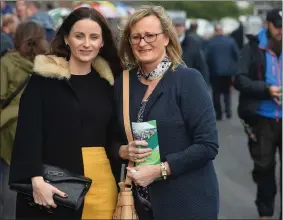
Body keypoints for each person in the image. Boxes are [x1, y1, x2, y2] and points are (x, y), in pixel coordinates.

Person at [9, 7, 122, 219]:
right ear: (67, 39)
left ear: (102, 42)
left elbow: (114, 135)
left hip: (103, 184)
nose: (86, 44)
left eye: (94, 37)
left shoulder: (109, 83)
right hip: (55, 185)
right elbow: (28, 132)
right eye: (79, 36)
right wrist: (35, 179)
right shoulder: (44, 79)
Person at [116, 5, 219, 220]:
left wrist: (158, 170)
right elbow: (110, 136)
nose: (142, 43)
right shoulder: (123, 84)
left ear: (166, 38)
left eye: (150, 35)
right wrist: (123, 151)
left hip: (187, 202)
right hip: (139, 205)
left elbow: (207, 145)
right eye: (136, 37)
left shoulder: (188, 80)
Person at [234, 8, 282, 220]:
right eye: (278, 26)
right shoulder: (252, 48)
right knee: (264, 170)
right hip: (262, 119)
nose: (281, 31)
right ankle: (265, 213)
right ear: (267, 24)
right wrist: (266, 89)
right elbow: (240, 80)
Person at [0, 21, 49, 220]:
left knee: (9, 176)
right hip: (38, 127)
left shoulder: (7, 63)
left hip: (9, 127)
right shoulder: (46, 63)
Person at [206, 24, 239, 120]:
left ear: (215, 31)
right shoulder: (230, 41)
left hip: (215, 72)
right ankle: (228, 110)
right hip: (228, 72)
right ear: (222, 31)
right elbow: (236, 55)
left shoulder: (211, 42)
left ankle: (219, 113)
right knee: (227, 92)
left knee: (216, 93)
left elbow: (207, 57)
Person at [172, 17, 209, 85]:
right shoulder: (166, 43)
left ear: (184, 27)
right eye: (175, 26)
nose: (177, 28)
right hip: (171, 82)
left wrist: (204, 84)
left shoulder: (193, 43)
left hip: (188, 82)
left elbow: (201, 65)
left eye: (180, 26)